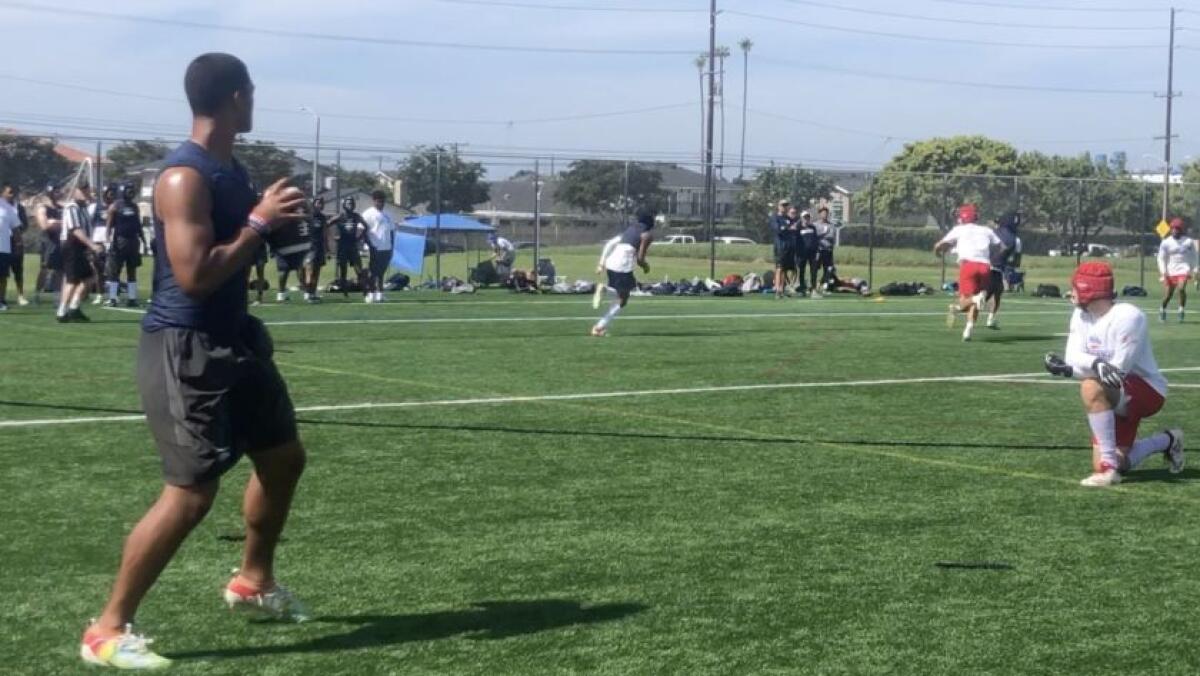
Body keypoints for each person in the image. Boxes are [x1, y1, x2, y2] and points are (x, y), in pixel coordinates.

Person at [80, 53, 310, 670]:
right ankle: (106, 628)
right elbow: (195, 274)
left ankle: (253, 581)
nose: (255, 101)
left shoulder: (233, 169)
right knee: (190, 494)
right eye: (252, 93)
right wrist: (261, 225)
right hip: (186, 346)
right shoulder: (183, 177)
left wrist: (281, 227)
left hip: (236, 338)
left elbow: (247, 249)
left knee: (283, 457)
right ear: (235, 97)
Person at [1043, 262, 1183, 487]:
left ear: (1088, 289)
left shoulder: (1129, 316)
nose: (1072, 292)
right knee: (1122, 462)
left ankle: (1109, 471)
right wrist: (1085, 365)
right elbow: (1073, 356)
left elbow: (1116, 373)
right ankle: (1168, 440)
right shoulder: (1081, 316)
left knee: (1090, 386)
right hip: (1115, 395)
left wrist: (1076, 370)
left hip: (1147, 390)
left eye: (1076, 287)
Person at [933, 204, 1001, 342]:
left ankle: (958, 307)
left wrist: (937, 253)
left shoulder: (959, 229)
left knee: (966, 300)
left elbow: (939, 245)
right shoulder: (986, 230)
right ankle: (968, 331)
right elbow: (1000, 246)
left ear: (962, 217)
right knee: (975, 301)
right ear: (976, 217)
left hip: (968, 266)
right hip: (985, 267)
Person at [591, 205, 656, 337]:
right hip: (623, 265)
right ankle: (603, 291)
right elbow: (640, 259)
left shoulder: (629, 230)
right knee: (622, 298)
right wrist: (646, 267)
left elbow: (609, 244)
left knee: (621, 297)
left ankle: (599, 328)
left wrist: (601, 263)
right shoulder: (646, 235)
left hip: (611, 263)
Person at [57, 185, 104, 322]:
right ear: (75, 191)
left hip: (80, 247)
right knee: (72, 280)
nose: (86, 193)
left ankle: (74, 307)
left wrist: (89, 246)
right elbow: (75, 230)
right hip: (72, 246)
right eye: (82, 190)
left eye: (87, 190)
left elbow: (86, 229)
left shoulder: (83, 208)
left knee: (88, 278)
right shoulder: (72, 207)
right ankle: (62, 311)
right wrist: (92, 245)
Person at [105, 183, 148, 307]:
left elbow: (138, 225)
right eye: (129, 190)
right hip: (119, 241)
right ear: (123, 190)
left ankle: (132, 298)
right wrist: (107, 241)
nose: (131, 193)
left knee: (132, 270)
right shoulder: (114, 206)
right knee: (115, 271)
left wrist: (144, 241)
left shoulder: (135, 206)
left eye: (132, 190)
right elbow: (108, 226)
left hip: (133, 241)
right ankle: (113, 298)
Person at [984, 211, 1022, 330]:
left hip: (981, 265)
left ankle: (990, 319)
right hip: (996, 268)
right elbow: (1016, 263)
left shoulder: (990, 233)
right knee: (991, 294)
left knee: (993, 292)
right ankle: (958, 308)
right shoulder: (1016, 240)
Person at [1156, 217, 1196, 323]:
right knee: (1168, 295)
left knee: (1181, 288)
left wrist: (1195, 269)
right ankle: (1162, 309)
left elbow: (1194, 256)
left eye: (1177, 228)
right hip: (1170, 271)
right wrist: (1163, 271)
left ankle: (1181, 309)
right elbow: (1161, 258)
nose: (1175, 230)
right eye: (1173, 228)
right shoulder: (1166, 243)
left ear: (1181, 230)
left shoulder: (1188, 242)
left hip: (1184, 268)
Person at [361, 189, 395, 303]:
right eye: (379, 201)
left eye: (383, 201)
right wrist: (369, 245)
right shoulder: (368, 214)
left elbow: (391, 231)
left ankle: (380, 293)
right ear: (374, 201)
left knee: (381, 272)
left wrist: (392, 246)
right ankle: (370, 293)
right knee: (372, 271)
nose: (381, 204)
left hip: (386, 247)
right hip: (374, 247)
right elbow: (362, 231)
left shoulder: (388, 214)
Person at [330, 195, 366, 298]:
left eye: (351, 203)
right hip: (342, 247)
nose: (350, 205)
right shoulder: (340, 216)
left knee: (359, 270)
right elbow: (327, 224)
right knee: (343, 271)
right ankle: (345, 293)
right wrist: (333, 236)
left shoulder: (356, 216)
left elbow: (366, 227)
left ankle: (365, 291)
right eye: (348, 203)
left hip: (353, 246)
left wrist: (359, 238)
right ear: (344, 205)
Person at [89, 184, 117, 305]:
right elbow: (90, 223)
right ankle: (99, 294)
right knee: (98, 268)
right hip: (98, 239)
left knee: (112, 269)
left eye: (112, 193)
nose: (109, 196)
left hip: (112, 238)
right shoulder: (95, 207)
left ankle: (113, 295)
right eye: (108, 193)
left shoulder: (117, 207)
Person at [36, 185, 64, 303]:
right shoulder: (43, 208)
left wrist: (55, 222)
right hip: (48, 242)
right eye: (55, 192)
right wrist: (56, 223)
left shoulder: (61, 208)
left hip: (59, 241)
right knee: (45, 268)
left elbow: (68, 223)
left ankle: (57, 297)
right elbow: (45, 225)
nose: (58, 194)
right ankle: (37, 294)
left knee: (59, 270)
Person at [5, 185, 30, 306]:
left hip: (15, 242)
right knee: (2, 271)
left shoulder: (19, 207)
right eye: (9, 192)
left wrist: (18, 233)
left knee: (18, 270)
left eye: (13, 192)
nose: (12, 194)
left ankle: (20, 296)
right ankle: (2, 297)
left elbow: (25, 224)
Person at [303, 196, 329, 303]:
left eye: (321, 203)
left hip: (319, 247)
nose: (319, 205)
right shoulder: (308, 216)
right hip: (310, 247)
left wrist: (326, 248)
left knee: (317, 271)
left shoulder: (322, 217)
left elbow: (324, 233)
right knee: (310, 271)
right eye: (318, 202)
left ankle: (313, 293)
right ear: (313, 204)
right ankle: (308, 293)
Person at [770, 199, 795, 299]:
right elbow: (778, 229)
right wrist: (787, 227)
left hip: (789, 246)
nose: (784, 207)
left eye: (786, 205)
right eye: (783, 205)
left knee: (784, 269)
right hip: (780, 246)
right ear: (778, 206)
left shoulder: (788, 218)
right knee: (779, 268)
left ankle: (782, 289)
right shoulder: (775, 218)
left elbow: (793, 230)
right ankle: (777, 290)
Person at [0, 183, 19, 310]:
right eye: (10, 192)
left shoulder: (8, 208)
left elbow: (16, 227)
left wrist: (18, 243)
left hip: (4, 247)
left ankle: (1, 301)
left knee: (2, 276)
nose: (12, 194)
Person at [813, 207, 837, 296]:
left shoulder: (831, 225)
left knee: (828, 270)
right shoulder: (815, 225)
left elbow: (831, 236)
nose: (825, 215)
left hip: (828, 250)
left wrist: (823, 235)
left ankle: (824, 287)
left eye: (826, 213)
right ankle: (814, 287)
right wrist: (823, 233)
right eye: (823, 213)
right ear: (820, 214)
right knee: (815, 269)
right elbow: (815, 236)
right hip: (818, 250)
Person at [797, 209, 819, 297]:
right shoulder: (799, 228)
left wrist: (817, 251)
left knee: (813, 271)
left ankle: (813, 289)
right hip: (802, 253)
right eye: (805, 217)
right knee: (802, 271)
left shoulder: (813, 227)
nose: (806, 219)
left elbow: (816, 240)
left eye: (808, 217)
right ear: (802, 218)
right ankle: (802, 289)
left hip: (812, 253)